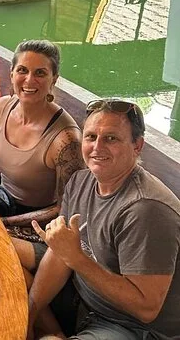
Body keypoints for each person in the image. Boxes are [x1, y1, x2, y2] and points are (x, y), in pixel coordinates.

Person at [27, 99, 180, 339]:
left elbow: (146, 309)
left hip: (130, 327)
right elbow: (60, 255)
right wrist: (30, 312)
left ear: (137, 145)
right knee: (6, 262)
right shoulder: (80, 181)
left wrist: (77, 259)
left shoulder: (146, 209)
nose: (97, 147)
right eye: (91, 137)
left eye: (111, 138)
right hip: (84, 295)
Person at [0, 41, 84, 273]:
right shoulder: (3, 106)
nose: (29, 80)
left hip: (36, 221)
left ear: (54, 79)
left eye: (40, 73)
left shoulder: (65, 140)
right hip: (1, 198)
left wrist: (5, 222)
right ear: (12, 73)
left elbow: (64, 209)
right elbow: (2, 160)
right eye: (22, 70)